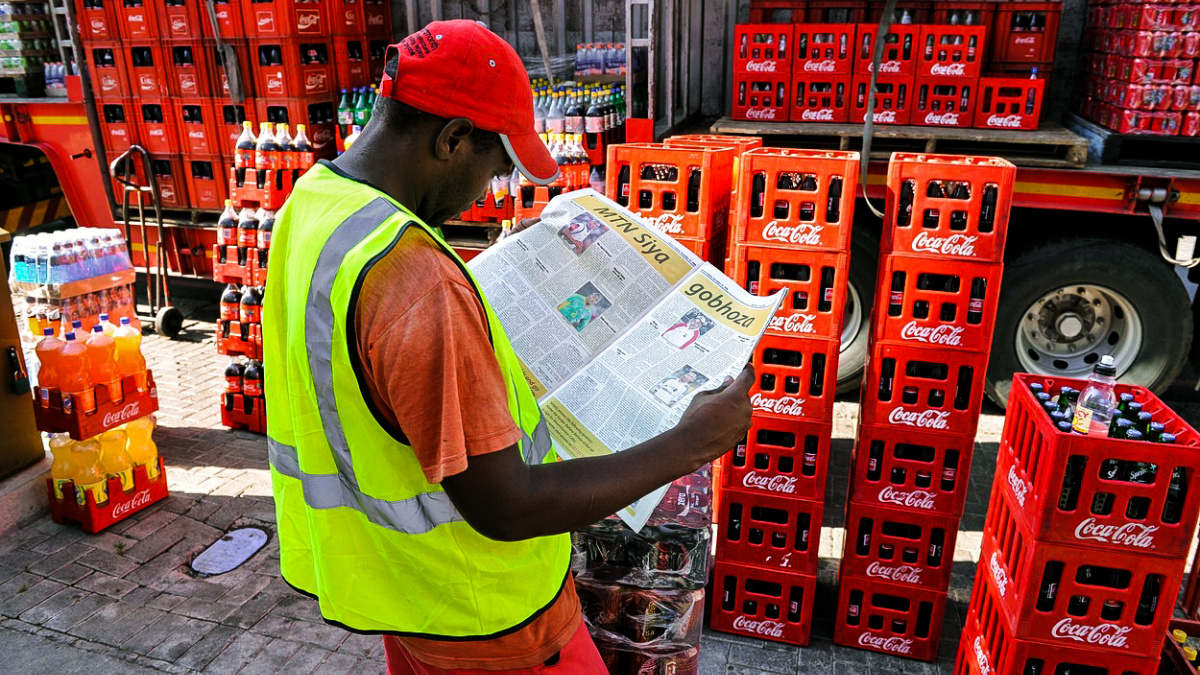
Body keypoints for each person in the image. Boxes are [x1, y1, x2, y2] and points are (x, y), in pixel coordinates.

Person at [262, 20, 753, 675]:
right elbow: (508, 503)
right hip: (489, 617)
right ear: (452, 139)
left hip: (405, 599)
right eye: (493, 168)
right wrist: (690, 442)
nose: (491, 190)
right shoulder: (416, 281)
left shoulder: (316, 203)